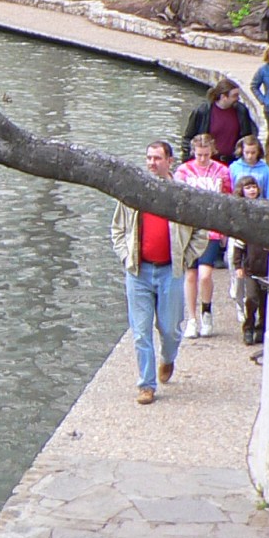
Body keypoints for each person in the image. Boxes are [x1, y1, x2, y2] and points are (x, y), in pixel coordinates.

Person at [111, 140, 195, 405]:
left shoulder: (182, 195)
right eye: (149, 158)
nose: (152, 163)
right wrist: (126, 256)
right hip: (139, 271)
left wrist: (185, 257)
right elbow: (117, 229)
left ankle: (168, 358)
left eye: (157, 158)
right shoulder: (133, 193)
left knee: (170, 329)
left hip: (171, 270)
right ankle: (146, 384)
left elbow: (201, 231)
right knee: (140, 331)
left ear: (170, 161)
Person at [175, 132, 234, 337]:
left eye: (206, 155)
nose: (202, 158)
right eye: (199, 154)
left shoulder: (222, 171)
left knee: (205, 274)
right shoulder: (183, 171)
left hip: (212, 229)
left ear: (212, 152)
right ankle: (191, 319)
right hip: (190, 229)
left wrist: (225, 228)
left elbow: (227, 200)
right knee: (190, 274)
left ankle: (206, 311)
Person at [227, 173, 269, 348]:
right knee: (251, 298)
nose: (252, 190)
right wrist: (238, 265)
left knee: (265, 301)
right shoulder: (246, 222)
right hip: (251, 269)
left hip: (267, 269)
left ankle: (261, 328)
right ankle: (248, 327)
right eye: (248, 187)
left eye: (254, 187)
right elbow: (239, 245)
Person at [183, 80, 257, 164]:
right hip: (208, 161)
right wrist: (188, 161)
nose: (238, 99)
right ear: (223, 97)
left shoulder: (241, 111)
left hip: (233, 162)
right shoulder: (202, 112)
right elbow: (188, 139)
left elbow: (247, 136)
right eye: (234, 96)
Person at [229, 135, 269, 200]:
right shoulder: (234, 167)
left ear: (258, 152)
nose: (250, 156)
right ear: (241, 151)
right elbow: (230, 189)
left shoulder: (265, 169)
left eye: (253, 153)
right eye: (247, 152)